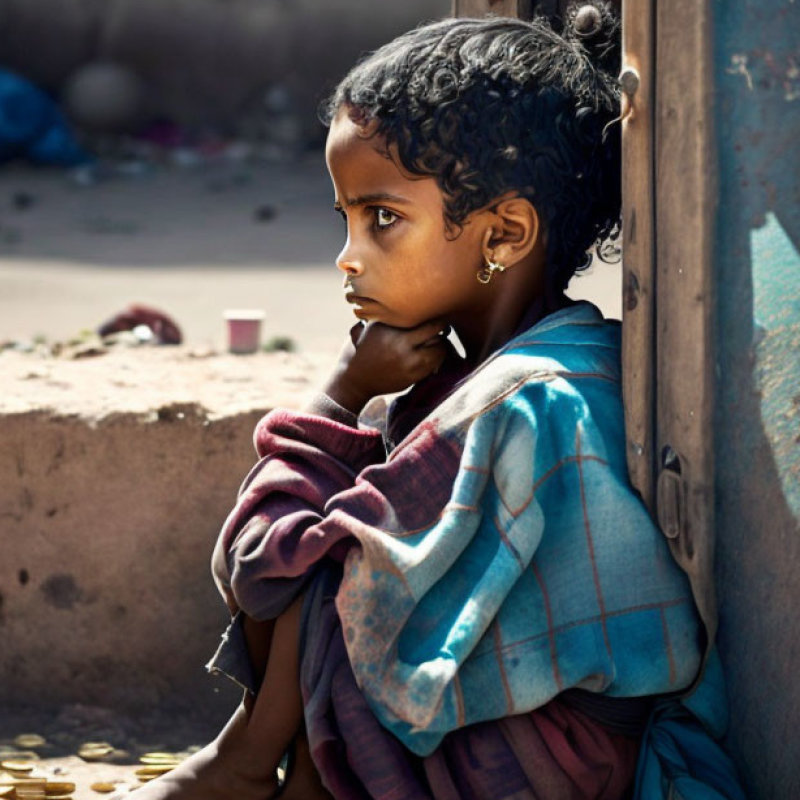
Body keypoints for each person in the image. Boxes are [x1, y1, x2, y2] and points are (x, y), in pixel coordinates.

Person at [136, 4, 706, 798]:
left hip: (540, 763)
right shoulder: (543, 361)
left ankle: (242, 762)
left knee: (322, 564)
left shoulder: (516, 401)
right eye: (347, 219)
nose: (348, 259)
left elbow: (260, 564)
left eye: (383, 220)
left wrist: (338, 395)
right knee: (336, 553)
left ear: (503, 235)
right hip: (557, 747)